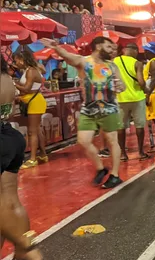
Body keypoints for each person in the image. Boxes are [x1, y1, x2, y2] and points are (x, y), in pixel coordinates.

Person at [42, 37, 126, 188]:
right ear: (98, 46)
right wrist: (56, 47)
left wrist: (119, 86)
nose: (112, 51)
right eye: (109, 47)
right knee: (83, 141)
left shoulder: (113, 66)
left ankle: (115, 175)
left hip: (109, 108)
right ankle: (100, 168)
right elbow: (68, 57)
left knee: (112, 141)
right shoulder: (84, 62)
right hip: (89, 109)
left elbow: (123, 87)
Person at [0, 57, 43, 260]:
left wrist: (27, 244)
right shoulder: (7, 78)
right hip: (10, 137)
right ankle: (20, 258)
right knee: (10, 201)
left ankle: (25, 248)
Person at [12, 48, 49, 168]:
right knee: (37, 130)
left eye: (16, 60)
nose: (16, 63)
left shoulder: (31, 71)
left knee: (32, 132)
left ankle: (33, 159)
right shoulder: (32, 69)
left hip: (35, 102)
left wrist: (14, 84)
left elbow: (27, 89)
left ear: (22, 60)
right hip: (35, 100)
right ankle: (43, 154)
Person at [114, 43, 150, 161]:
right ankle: (140, 152)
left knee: (121, 127)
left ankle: (123, 154)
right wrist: (146, 89)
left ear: (124, 50)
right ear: (134, 51)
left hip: (120, 98)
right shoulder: (137, 63)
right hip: (137, 98)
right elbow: (141, 82)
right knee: (139, 126)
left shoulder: (114, 61)